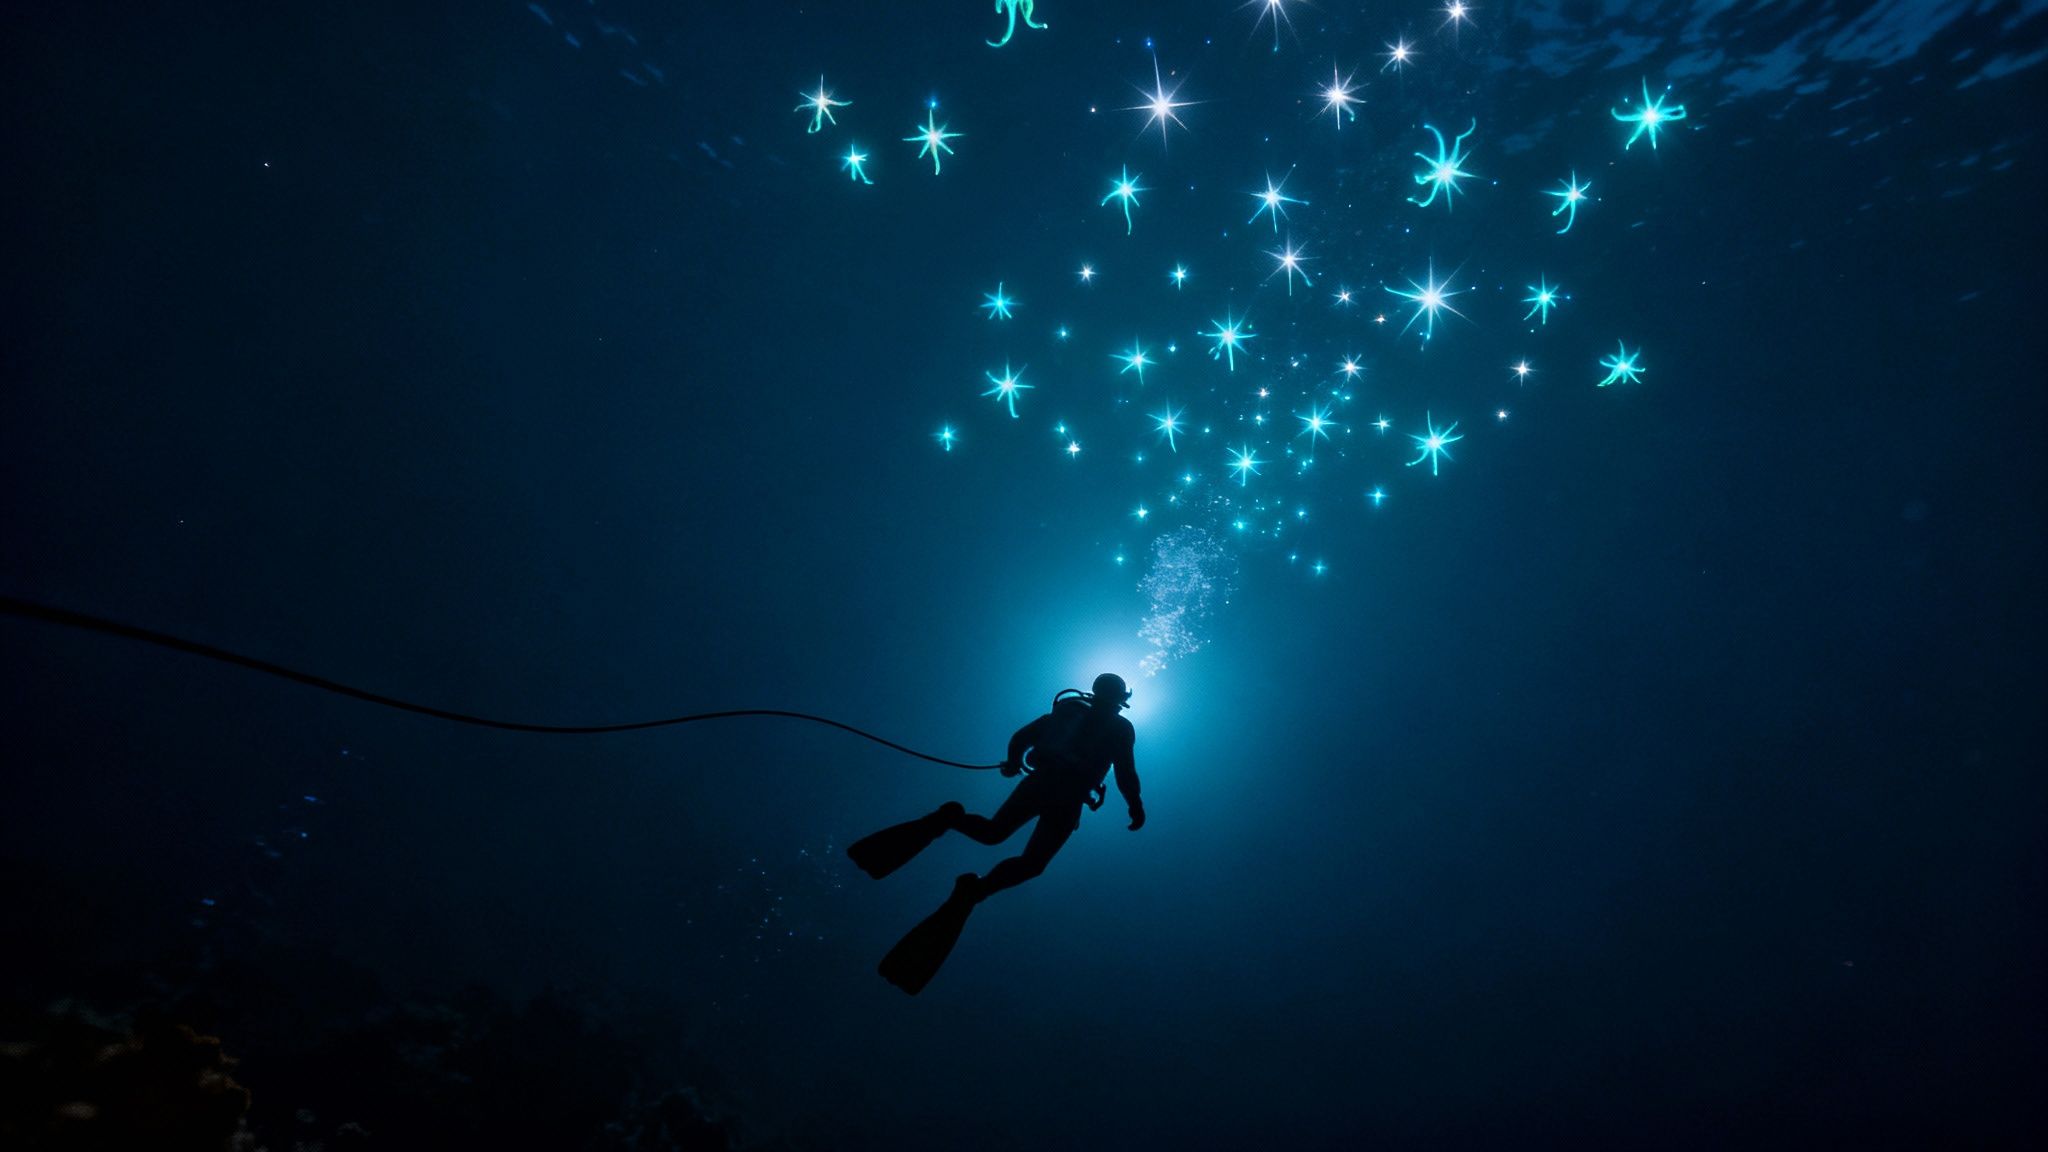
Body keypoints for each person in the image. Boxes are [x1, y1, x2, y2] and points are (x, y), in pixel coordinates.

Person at [849, 673, 1145, 993]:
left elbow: (1022, 736)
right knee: (1032, 864)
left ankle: (950, 820)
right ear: (1121, 700)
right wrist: (1135, 805)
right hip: (1068, 797)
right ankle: (976, 890)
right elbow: (1125, 771)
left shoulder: (1067, 712)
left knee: (993, 832)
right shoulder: (1119, 728)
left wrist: (1014, 762)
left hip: (1039, 782)